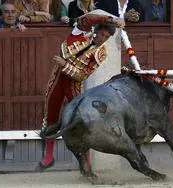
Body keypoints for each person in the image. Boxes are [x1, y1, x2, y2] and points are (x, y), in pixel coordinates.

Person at [35, 12, 125, 171]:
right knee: (51, 117)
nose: (102, 38)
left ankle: (87, 163)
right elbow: (87, 19)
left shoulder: (100, 53)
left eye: (106, 37)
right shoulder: (80, 33)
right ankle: (48, 157)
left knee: (82, 121)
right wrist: (111, 19)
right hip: (56, 81)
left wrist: (64, 64)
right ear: (95, 30)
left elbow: (83, 75)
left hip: (73, 85)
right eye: (101, 34)